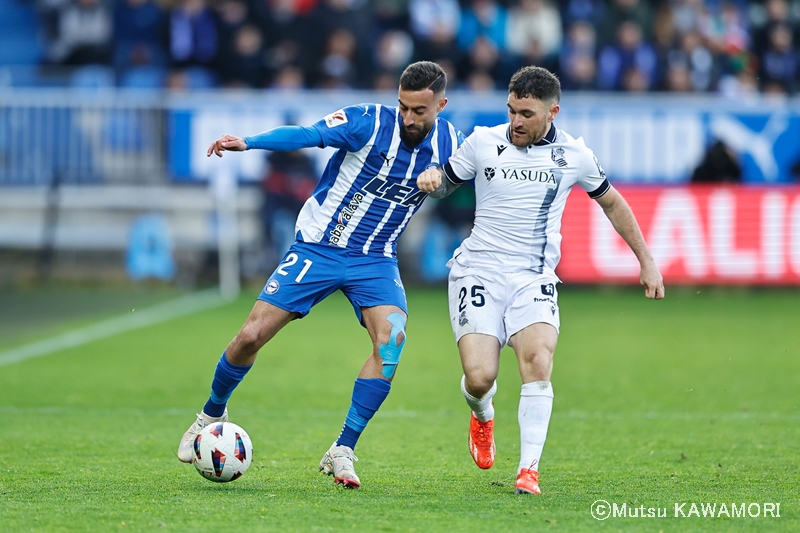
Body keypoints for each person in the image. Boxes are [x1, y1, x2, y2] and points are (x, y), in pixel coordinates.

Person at [176, 61, 464, 489]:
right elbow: (308, 134)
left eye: (418, 111)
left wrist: (439, 183)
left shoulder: (451, 143)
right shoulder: (367, 121)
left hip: (376, 260)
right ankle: (211, 414)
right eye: (402, 106)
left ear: (440, 104)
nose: (407, 118)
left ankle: (343, 449)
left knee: (392, 343)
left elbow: (455, 183)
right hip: (320, 247)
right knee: (251, 336)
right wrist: (250, 143)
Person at [416, 65, 664, 495]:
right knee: (479, 377)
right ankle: (482, 414)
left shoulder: (574, 156)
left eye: (526, 114)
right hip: (479, 270)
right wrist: (434, 180)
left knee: (537, 362)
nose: (515, 122)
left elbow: (613, 204)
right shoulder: (483, 142)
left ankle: (528, 469)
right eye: (511, 111)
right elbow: (443, 184)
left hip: (533, 277)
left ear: (553, 112)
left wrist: (646, 260)